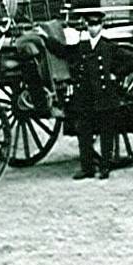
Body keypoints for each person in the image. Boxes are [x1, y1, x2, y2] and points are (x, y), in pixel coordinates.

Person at [43, 19, 122, 180]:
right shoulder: (82, 46)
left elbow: (130, 60)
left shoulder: (109, 46)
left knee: (106, 132)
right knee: (84, 132)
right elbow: (63, 51)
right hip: (86, 96)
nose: (93, 28)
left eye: (96, 25)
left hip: (104, 96)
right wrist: (46, 39)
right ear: (87, 27)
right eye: (90, 25)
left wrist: (115, 75)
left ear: (101, 26)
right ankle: (87, 168)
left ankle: (105, 167)